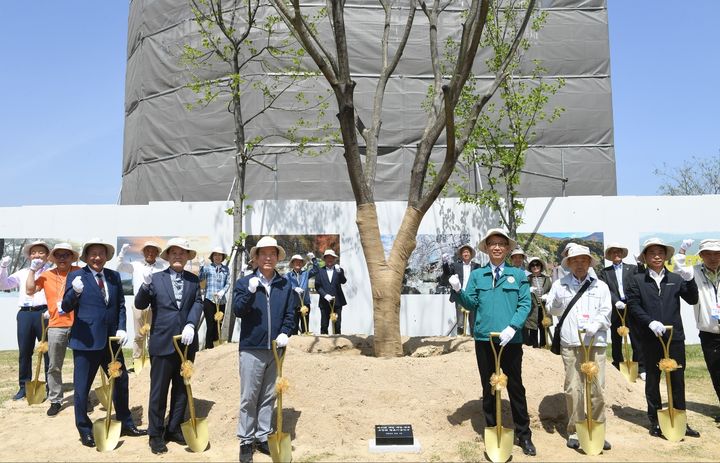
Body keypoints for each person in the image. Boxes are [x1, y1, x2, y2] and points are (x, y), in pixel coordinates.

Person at [448, 228, 536, 456]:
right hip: (484, 338)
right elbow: (470, 303)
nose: (496, 247)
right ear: (486, 249)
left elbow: (525, 304)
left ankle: (524, 435)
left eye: (501, 243)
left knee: (515, 386)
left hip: (511, 340)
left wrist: (512, 326)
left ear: (507, 249)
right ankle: (491, 430)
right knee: (488, 387)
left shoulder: (518, 275)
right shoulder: (478, 276)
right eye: (492, 243)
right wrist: (458, 291)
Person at [61, 238, 147, 448]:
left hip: (111, 342)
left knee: (121, 381)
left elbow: (119, 306)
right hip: (86, 343)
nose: (97, 257)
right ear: (86, 256)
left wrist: (121, 327)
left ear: (107, 256)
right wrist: (75, 292)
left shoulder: (113, 276)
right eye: (93, 254)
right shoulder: (76, 276)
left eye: (101, 253)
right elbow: (65, 305)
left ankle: (126, 422)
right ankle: (84, 429)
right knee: (82, 388)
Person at [134, 238, 204, 454]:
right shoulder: (155, 279)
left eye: (182, 252)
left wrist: (192, 324)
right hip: (162, 342)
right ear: (167, 256)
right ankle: (155, 434)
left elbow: (198, 303)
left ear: (187, 256)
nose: (178, 256)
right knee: (159, 390)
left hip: (186, 344)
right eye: (173, 252)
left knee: (182, 388)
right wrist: (145, 286)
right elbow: (140, 304)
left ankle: (173, 427)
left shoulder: (194, 281)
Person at [626, 237, 700, 438]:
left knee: (677, 379)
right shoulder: (637, 280)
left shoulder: (675, 279)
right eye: (652, 253)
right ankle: (655, 421)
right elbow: (633, 305)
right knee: (653, 378)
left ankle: (680, 420)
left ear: (666, 256)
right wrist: (649, 322)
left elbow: (692, 299)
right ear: (645, 257)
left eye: (660, 252)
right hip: (650, 339)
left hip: (674, 337)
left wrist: (689, 278)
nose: (657, 256)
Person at [232, 236, 295, 463]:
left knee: (269, 396)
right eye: (263, 253)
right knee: (249, 396)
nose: (268, 257)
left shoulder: (285, 284)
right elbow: (238, 310)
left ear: (277, 258)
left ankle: (262, 436)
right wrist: (249, 292)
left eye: (273, 253)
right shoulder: (243, 283)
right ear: (256, 258)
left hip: (276, 349)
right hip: (251, 347)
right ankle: (246, 441)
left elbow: (291, 314)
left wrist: (284, 332)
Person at [546, 245, 612, 450]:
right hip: (571, 343)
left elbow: (606, 309)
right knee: (573, 388)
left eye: (584, 260)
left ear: (589, 262)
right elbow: (553, 310)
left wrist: (596, 324)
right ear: (569, 263)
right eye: (575, 260)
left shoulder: (600, 286)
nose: (580, 264)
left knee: (597, 388)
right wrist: (554, 301)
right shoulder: (560, 285)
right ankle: (574, 430)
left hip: (595, 343)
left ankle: (597, 428)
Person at [25, 243, 80, 416]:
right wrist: (32, 271)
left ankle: (81, 399)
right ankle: (56, 400)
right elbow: (29, 290)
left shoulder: (79, 272)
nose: (62, 258)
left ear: (72, 257)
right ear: (54, 258)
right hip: (56, 325)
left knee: (82, 366)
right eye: (59, 255)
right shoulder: (46, 275)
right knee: (54, 366)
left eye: (66, 255)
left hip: (80, 325)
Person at [0, 239, 51, 401]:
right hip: (25, 314)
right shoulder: (23, 272)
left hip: (44, 313)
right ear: (29, 256)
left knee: (48, 351)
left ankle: (51, 386)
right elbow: (4, 285)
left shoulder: (51, 272)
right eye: (34, 252)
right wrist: (3, 267)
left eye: (41, 252)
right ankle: (24, 386)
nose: (37, 255)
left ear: (47, 256)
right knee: (25, 351)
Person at [678, 238, 720, 423]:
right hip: (709, 332)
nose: (713, 258)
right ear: (701, 255)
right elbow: (679, 268)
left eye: (717, 254)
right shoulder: (694, 272)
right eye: (708, 254)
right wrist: (681, 250)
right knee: (716, 372)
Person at [598, 243, 645, 379]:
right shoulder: (604, 272)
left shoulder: (633, 268)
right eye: (613, 252)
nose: (616, 254)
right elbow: (605, 289)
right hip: (616, 307)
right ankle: (617, 364)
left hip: (631, 306)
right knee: (616, 338)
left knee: (636, 337)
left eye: (618, 252)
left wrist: (640, 264)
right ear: (610, 256)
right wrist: (615, 301)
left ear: (622, 254)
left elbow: (642, 279)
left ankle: (640, 366)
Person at [116, 241, 167, 362]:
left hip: (155, 306)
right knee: (139, 335)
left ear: (157, 253)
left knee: (152, 335)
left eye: (153, 251)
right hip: (139, 305)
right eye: (147, 251)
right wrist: (122, 252)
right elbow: (119, 267)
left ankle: (152, 360)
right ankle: (137, 360)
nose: (150, 253)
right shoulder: (136, 265)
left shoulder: (162, 268)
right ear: (143, 252)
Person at [441, 244, 481, 336]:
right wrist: (445, 263)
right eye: (464, 252)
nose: (466, 254)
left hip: (472, 295)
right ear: (461, 255)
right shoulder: (455, 265)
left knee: (473, 319)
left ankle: (473, 339)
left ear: (471, 254)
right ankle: (459, 338)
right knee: (460, 320)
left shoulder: (477, 266)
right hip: (460, 294)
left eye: (467, 252)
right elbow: (447, 273)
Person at [198, 247, 231, 349]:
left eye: (220, 255)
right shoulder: (208, 267)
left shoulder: (226, 269)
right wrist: (201, 266)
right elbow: (201, 278)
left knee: (219, 325)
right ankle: (208, 347)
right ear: (212, 257)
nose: (217, 257)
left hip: (221, 301)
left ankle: (217, 347)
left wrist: (222, 291)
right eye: (215, 255)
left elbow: (228, 283)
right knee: (211, 325)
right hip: (209, 300)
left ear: (222, 257)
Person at [284, 252, 319, 334]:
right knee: (294, 327)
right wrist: (294, 288)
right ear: (292, 263)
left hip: (305, 304)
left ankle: (306, 346)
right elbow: (285, 287)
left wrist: (314, 259)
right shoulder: (288, 276)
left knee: (305, 327)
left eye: (300, 262)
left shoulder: (306, 273)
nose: (298, 263)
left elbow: (316, 270)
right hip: (293, 305)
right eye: (296, 261)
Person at [314, 249, 348, 335]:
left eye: (331, 258)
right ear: (324, 259)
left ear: (334, 259)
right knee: (324, 325)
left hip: (337, 301)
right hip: (324, 302)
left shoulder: (339, 270)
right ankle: (323, 346)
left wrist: (339, 272)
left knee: (337, 325)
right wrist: (325, 295)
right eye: (327, 258)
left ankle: (338, 346)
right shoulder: (320, 271)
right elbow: (317, 286)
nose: (330, 260)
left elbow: (343, 281)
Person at [524, 257, 552, 348]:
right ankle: (534, 346)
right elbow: (522, 291)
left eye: (537, 264)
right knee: (533, 326)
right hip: (532, 307)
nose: (535, 267)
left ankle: (544, 345)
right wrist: (528, 290)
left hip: (544, 307)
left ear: (541, 266)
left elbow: (551, 291)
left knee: (544, 325)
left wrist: (547, 295)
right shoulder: (527, 279)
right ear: (530, 268)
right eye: (533, 265)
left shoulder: (547, 279)